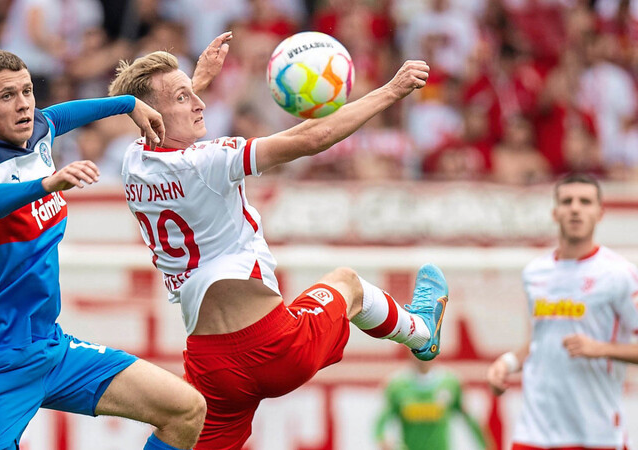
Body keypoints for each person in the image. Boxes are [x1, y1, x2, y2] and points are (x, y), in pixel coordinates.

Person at [109, 37, 449, 449]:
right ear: (154, 115)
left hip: (212, 368)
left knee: (180, 435)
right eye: (185, 98)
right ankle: (420, 331)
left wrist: (194, 82)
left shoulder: (131, 162)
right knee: (348, 283)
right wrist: (390, 90)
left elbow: (155, 118)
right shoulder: (208, 161)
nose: (199, 103)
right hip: (276, 347)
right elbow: (311, 138)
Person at [0, 49, 206, 450]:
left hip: (52, 348)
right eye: (7, 96)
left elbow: (66, 114)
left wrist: (128, 103)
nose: (24, 105)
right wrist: (46, 186)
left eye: (28, 91)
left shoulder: (38, 132)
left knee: (186, 409)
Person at [486, 173, 638, 450]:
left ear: (600, 213)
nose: (575, 208)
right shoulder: (535, 273)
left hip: (596, 432)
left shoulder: (619, 274)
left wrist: (601, 348)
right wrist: (506, 364)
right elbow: (541, 341)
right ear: (555, 212)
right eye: (567, 201)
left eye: (585, 201)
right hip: (535, 431)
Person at [374, 360, 488, 450]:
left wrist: (485, 445)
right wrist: (382, 439)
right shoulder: (397, 385)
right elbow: (381, 420)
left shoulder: (450, 382)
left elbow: (469, 417)